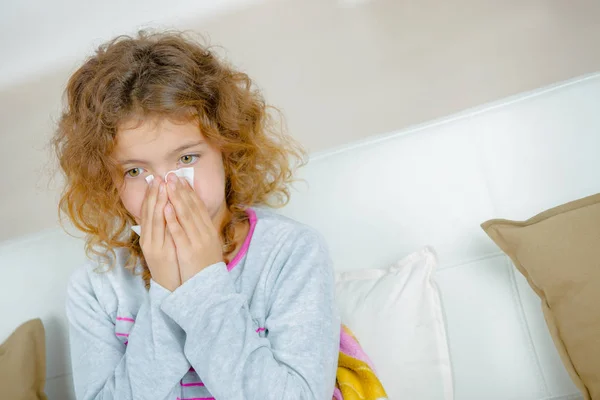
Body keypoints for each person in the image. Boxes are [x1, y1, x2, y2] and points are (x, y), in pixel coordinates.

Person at [53, 31, 340, 400]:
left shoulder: (292, 254)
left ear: (227, 149)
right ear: (108, 182)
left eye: (187, 158)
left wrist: (202, 284)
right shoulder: (96, 290)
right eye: (136, 171)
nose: (168, 189)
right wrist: (166, 290)